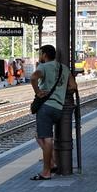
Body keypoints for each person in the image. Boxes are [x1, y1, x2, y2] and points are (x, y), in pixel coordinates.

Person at [30, 44, 70, 180]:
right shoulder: (64, 68)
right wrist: (61, 91)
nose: (39, 56)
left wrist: (38, 92)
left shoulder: (43, 67)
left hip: (46, 107)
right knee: (39, 136)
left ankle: (46, 172)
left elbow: (33, 77)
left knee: (46, 139)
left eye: (40, 54)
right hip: (59, 108)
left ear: (45, 55)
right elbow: (73, 86)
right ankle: (52, 163)